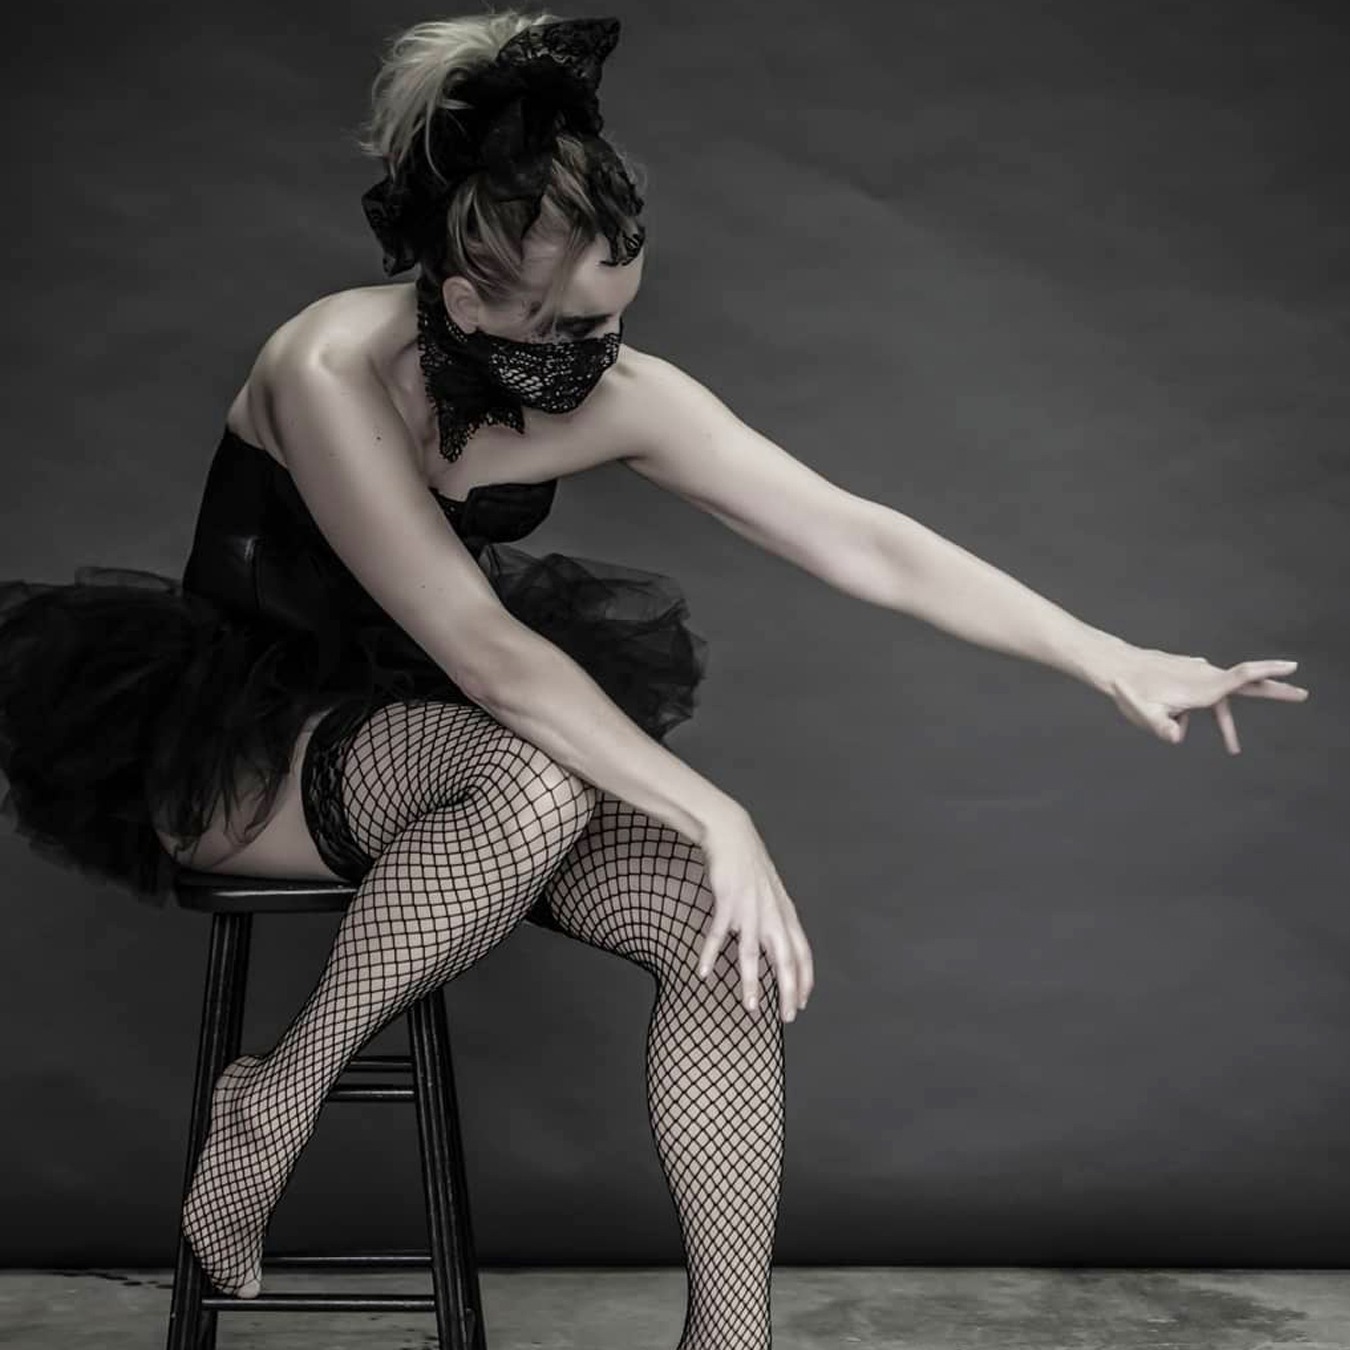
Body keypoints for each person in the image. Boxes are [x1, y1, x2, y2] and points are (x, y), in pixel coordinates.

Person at [0, 7, 1308, 1343]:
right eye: (572, 322)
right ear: (462, 296)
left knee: (714, 928)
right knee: (545, 778)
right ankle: (272, 1098)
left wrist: (1108, 655)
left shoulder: (608, 386)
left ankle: (726, 1339)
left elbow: (859, 535)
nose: (600, 353)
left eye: (620, 314)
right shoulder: (326, 368)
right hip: (240, 749)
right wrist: (714, 806)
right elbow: (489, 656)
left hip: (439, 758)